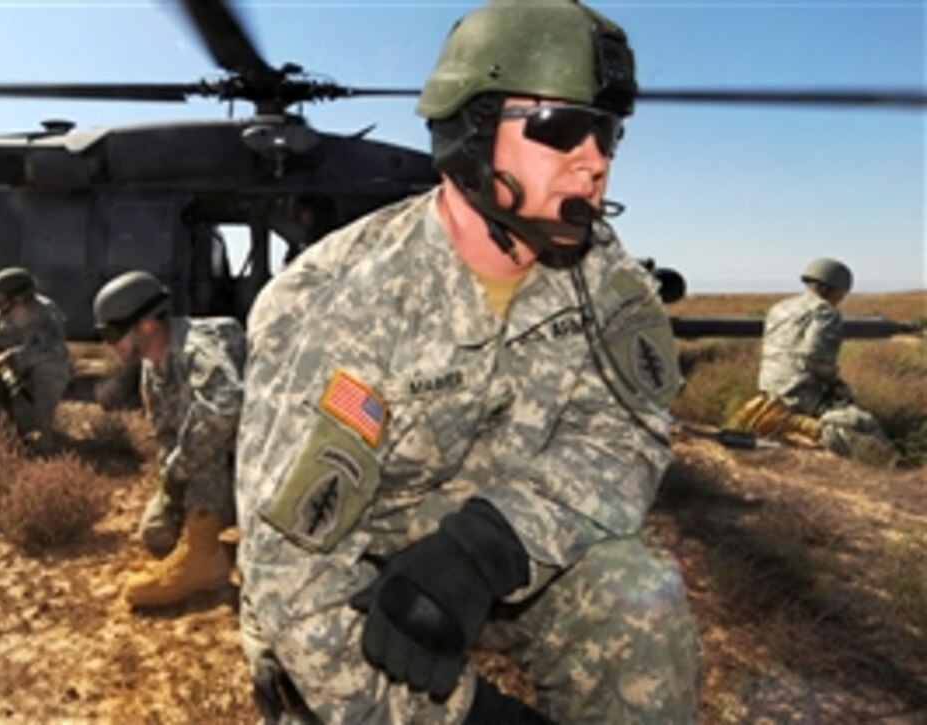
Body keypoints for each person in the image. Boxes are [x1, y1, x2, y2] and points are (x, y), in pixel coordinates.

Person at [235, 1, 700, 721]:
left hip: (506, 556)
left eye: (607, 132)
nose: (596, 160)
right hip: (347, 581)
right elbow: (292, 579)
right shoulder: (335, 302)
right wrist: (472, 716)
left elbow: (627, 434)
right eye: (561, 128)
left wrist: (493, 543)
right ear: (470, 131)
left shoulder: (606, 278)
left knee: (635, 595)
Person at [93, 271, 246, 609]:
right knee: (156, 532)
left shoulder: (196, 347)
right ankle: (206, 534)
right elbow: (167, 438)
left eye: (112, 331)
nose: (108, 343)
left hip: (253, 466)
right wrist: (169, 490)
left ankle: (204, 557)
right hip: (220, 475)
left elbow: (226, 406)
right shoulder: (152, 367)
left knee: (205, 434)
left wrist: (178, 471)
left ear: (147, 325)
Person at [729, 257, 894, 458]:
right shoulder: (825, 312)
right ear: (835, 289)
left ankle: (780, 416)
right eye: (842, 293)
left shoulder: (780, 308)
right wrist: (836, 383)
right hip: (800, 391)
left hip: (769, 387)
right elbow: (816, 359)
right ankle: (798, 425)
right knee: (863, 424)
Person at [0, 266, 71, 452]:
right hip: (15, 372)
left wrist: (8, 357)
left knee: (47, 377)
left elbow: (51, 350)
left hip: (46, 370)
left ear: (19, 299)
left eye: (0, 299)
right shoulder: (1, 315)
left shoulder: (46, 313)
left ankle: (43, 439)